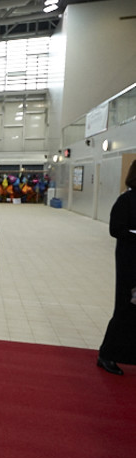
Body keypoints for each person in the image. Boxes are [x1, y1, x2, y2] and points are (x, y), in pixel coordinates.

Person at [97, 160, 136, 375]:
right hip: (130, 263)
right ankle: (108, 353)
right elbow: (116, 229)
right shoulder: (126, 200)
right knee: (125, 307)